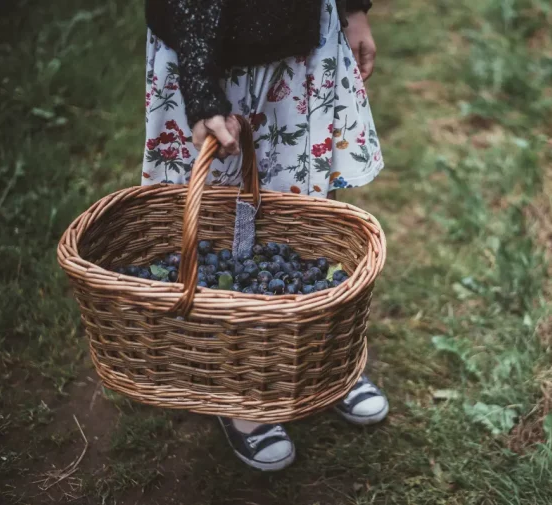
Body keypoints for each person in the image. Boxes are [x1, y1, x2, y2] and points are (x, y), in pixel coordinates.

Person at [142, 0, 387, 471]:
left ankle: (324, 357)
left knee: (308, 202)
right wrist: (200, 88)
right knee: (219, 215)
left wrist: (353, 10)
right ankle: (238, 385)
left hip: (304, 33)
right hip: (211, 43)